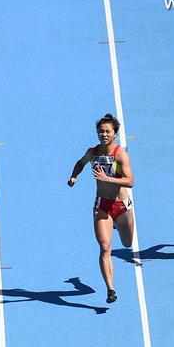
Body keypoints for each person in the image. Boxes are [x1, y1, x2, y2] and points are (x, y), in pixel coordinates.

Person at [67, 113, 135, 303]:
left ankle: (116, 224)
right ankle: (111, 289)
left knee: (128, 243)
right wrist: (74, 176)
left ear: (115, 133)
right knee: (105, 248)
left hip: (121, 205)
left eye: (107, 131)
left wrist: (107, 179)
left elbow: (130, 181)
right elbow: (80, 163)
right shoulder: (93, 152)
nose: (103, 134)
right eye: (101, 131)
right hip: (102, 205)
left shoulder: (120, 154)